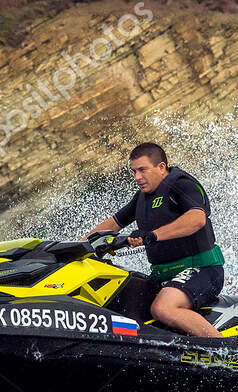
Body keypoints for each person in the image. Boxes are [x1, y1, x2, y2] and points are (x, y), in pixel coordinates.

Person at [87, 142, 224, 338]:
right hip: (163, 275)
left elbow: (197, 219)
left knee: (163, 309)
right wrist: (78, 246)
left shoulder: (182, 184)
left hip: (203, 270)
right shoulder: (142, 197)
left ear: (161, 167)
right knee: (118, 300)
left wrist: (152, 235)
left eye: (142, 170)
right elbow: (115, 223)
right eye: (134, 171)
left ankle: (225, 352)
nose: (137, 177)